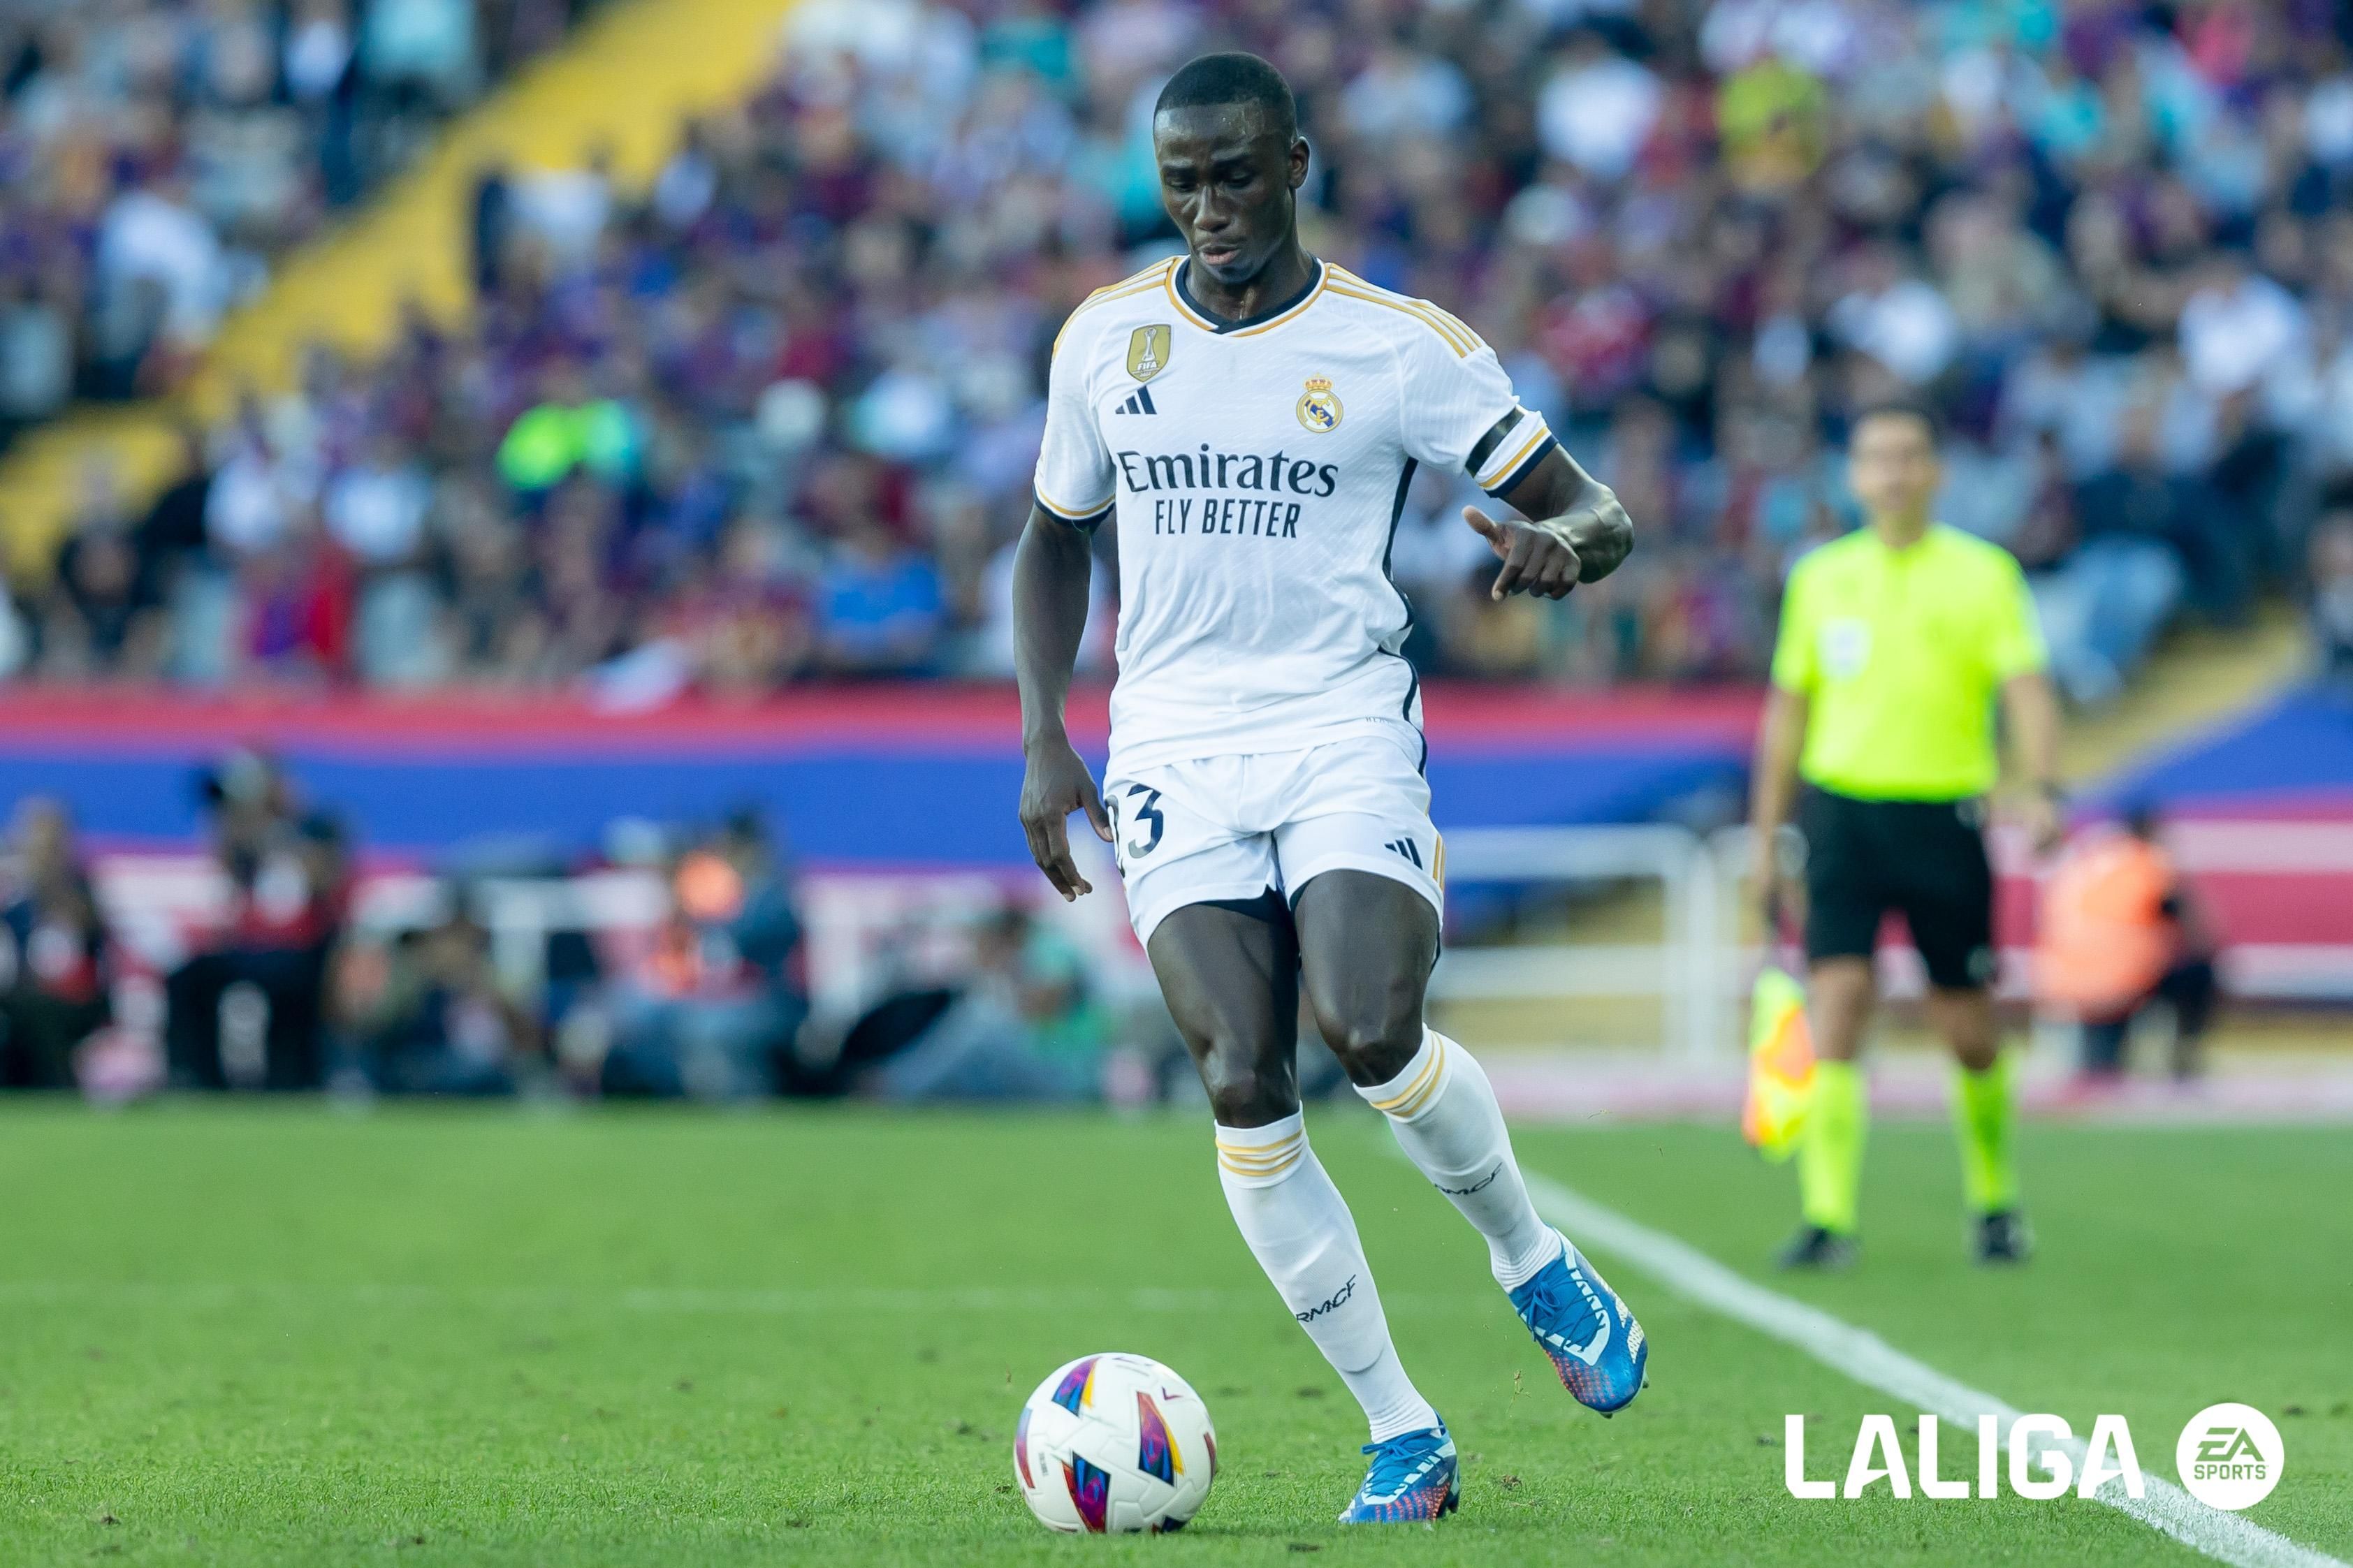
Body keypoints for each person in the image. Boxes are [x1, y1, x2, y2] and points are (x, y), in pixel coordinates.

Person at [1012, 53, 1645, 1526]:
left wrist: (1575, 549)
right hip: (1169, 741)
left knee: (1368, 1026)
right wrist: (1046, 730)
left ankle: (1530, 1259)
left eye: (1235, 174)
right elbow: (1053, 534)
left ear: (1295, 163)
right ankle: (1401, 1431)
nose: (1209, 207)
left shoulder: (1398, 347)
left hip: (1339, 721)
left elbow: (1591, 504)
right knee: (1241, 1075)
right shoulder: (1104, 340)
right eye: (1181, 181)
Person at [1747, 402, 2064, 1271]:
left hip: (1943, 816)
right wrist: (1763, 833)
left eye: (1908, 455)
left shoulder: (1983, 574)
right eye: (1876, 456)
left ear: (1935, 471)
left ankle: (1994, 1201)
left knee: (1965, 1025)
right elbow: (1786, 711)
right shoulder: (1818, 576)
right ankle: (1827, 1217)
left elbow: (2028, 689)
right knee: (1837, 1004)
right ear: (1852, 476)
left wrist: (2040, 786)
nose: (1892, 471)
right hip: (1840, 813)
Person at [2037, 804, 2218, 1081]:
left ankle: (2101, 1061)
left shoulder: (2085, 860)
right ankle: (2184, 1055)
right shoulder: (2148, 862)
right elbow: (2197, 930)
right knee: (2198, 972)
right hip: (2124, 981)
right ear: (2150, 831)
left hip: (2063, 981)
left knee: (2102, 1065)